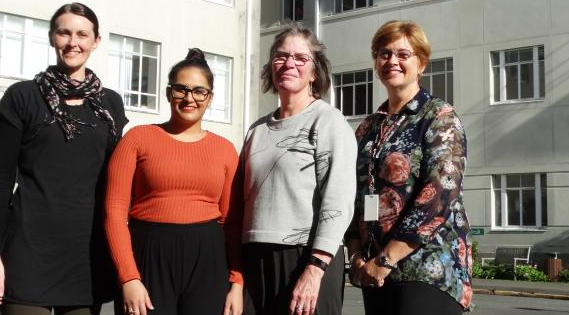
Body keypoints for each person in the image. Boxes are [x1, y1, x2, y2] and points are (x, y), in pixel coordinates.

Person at [0, 3, 129, 314]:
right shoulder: (23, 97)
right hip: (26, 252)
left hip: (86, 253)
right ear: (51, 37)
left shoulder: (110, 104)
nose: (72, 42)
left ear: (96, 41)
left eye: (82, 34)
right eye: (64, 32)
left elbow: (116, 183)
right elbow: (0, 180)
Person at [346, 20, 473, 314]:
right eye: (384, 53)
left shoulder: (439, 117)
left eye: (403, 54)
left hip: (427, 270)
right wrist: (356, 256)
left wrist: (388, 259)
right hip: (375, 274)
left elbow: (440, 194)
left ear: (421, 64)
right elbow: (354, 195)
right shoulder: (368, 127)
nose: (392, 61)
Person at [104, 48, 243, 315]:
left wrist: (237, 282)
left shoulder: (225, 149)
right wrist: (129, 278)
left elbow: (232, 223)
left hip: (208, 259)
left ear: (210, 97)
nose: (189, 98)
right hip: (148, 255)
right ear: (169, 93)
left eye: (199, 91)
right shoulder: (136, 139)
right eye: (181, 89)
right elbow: (113, 214)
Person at [240, 24, 357, 315]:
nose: (289, 63)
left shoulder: (328, 122)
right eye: (281, 56)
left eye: (300, 58)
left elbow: (338, 202)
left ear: (315, 72)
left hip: (306, 257)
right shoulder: (256, 130)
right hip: (255, 255)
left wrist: (315, 268)